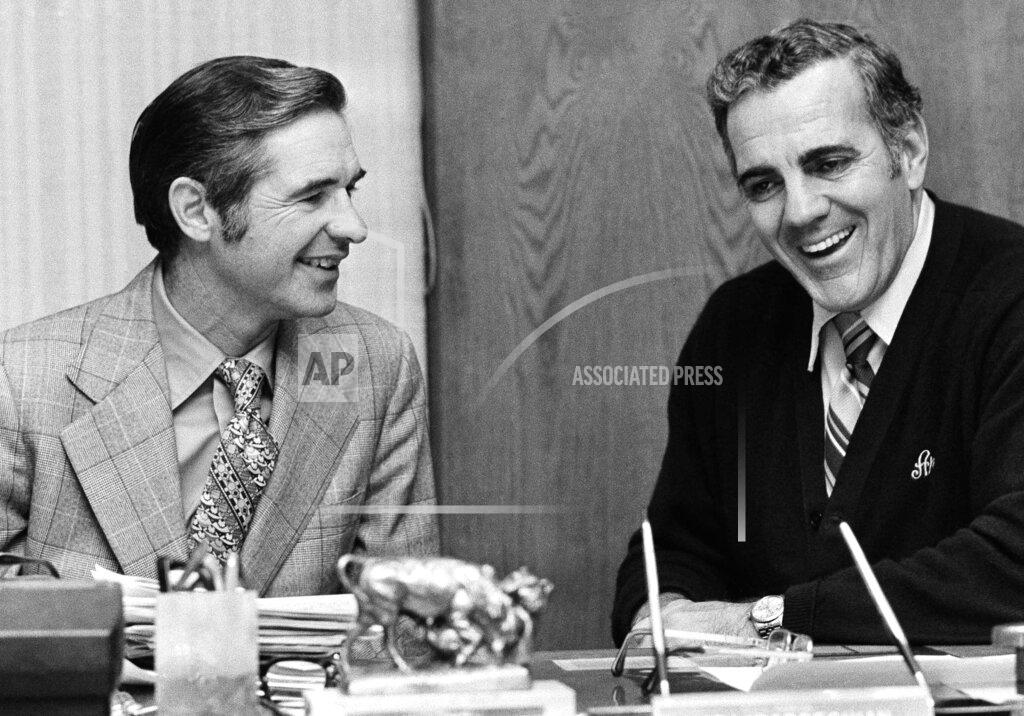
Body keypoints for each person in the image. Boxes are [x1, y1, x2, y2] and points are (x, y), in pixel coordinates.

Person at [613, 19, 1024, 645]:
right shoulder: (735, 328)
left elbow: (1012, 563)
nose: (801, 211)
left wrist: (767, 620)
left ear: (910, 150)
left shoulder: (1011, 297)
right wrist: (663, 619)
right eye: (764, 185)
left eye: (829, 164)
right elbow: (677, 549)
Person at [0, 56, 439, 594]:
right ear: (196, 211)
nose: (355, 227)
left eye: (351, 191)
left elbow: (402, 622)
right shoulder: (21, 381)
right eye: (311, 196)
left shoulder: (374, 366)